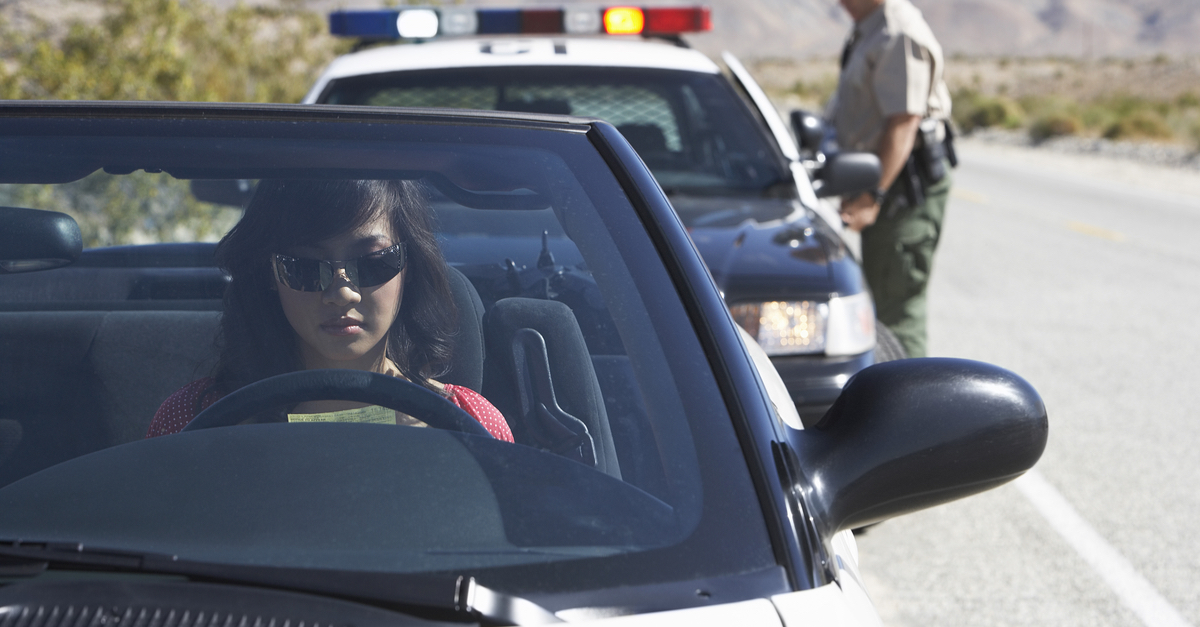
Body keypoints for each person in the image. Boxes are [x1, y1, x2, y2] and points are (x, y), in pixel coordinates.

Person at [147, 179, 513, 441]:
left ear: (410, 266)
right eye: (304, 268)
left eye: (373, 263)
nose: (341, 294)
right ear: (269, 275)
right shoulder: (193, 421)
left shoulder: (472, 424)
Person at [827, 0, 954, 358]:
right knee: (882, 305)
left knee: (897, 313)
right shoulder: (871, 28)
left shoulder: (898, 33)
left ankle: (911, 410)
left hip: (901, 190)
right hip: (885, 185)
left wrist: (872, 194)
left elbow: (903, 122)